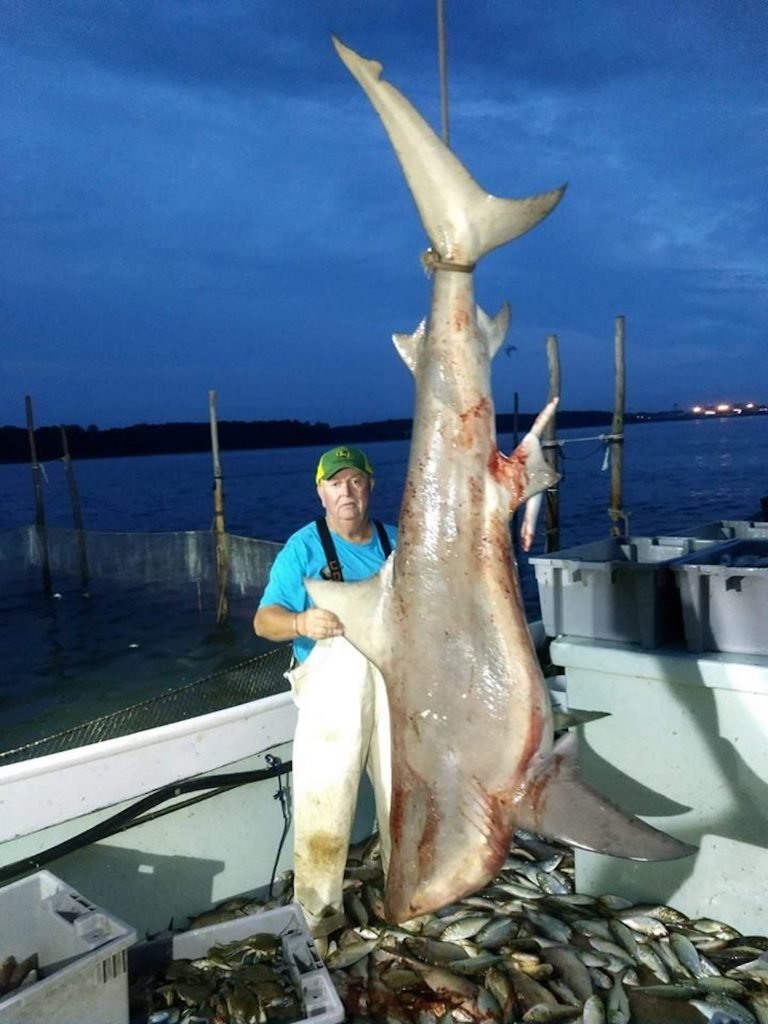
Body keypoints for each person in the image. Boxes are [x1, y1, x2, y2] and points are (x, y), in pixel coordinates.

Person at [253, 445, 397, 938]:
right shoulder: (303, 549)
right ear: (321, 492)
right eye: (335, 483)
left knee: (406, 799)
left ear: (370, 486)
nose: (346, 491)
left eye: (355, 480)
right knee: (324, 806)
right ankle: (316, 918)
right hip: (333, 702)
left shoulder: (396, 543)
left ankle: (408, 891)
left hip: (395, 695)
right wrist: (299, 620)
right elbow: (263, 621)